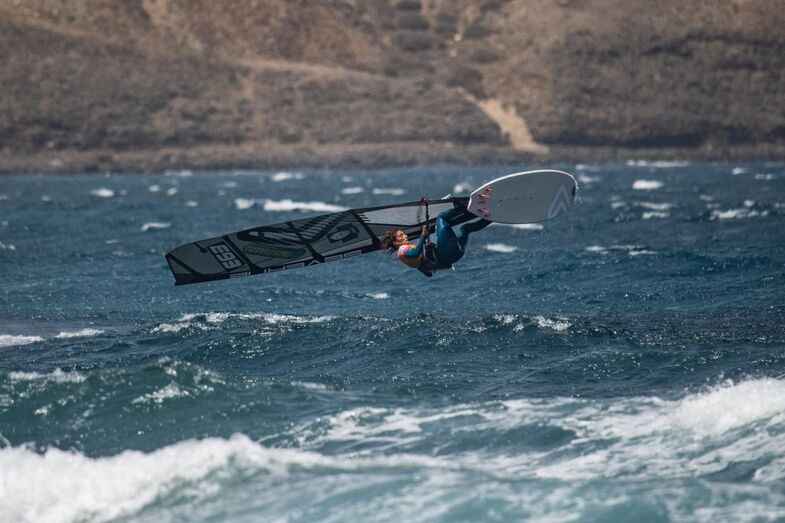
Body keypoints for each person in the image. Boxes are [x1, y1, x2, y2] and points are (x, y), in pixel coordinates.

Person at [381, 203, 491, 277]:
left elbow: (428, 274)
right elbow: (415, 253)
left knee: (466, 228)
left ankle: (491, 217)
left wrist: (426, 251)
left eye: (404, 234)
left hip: (456, 256)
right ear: (396, 242)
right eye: (401, 236)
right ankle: (468, 206)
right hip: (446, 252)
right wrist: (423, 236)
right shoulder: (402, 250)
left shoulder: (409, 261)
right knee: (441, 217)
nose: (405, 236)